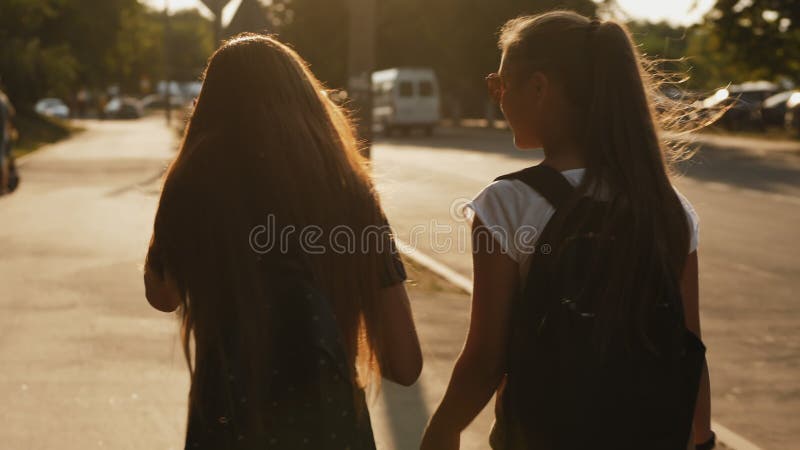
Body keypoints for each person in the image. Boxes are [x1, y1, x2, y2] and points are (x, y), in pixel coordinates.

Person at [421, 11, 714, 450]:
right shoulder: (669, 208)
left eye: (500, 85)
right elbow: (689, 349)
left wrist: (441, 431)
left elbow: (486, 358)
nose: (497, 98)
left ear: (538, 88)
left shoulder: (508, 203)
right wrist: (702, 439)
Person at [144, 34, 422, 449]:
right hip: (332, 428)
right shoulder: (351, 194)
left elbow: (163, 295)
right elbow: (404, 362)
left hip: (227, 424)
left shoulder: (193, 185)